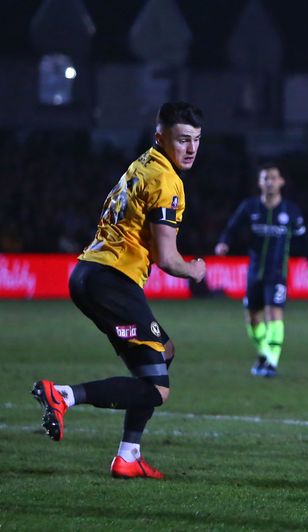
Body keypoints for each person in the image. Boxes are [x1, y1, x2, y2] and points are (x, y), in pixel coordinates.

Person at [31, 101, 207, 479]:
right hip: (111, 281)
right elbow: (167, 258)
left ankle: (129, 455)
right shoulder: (167, 181)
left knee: (164, 351)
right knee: (157, 390)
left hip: (90, 274)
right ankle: (63, 395)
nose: (191, 148)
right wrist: (194, 270)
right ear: (160, 137)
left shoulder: (141, 164)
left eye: (196, 139)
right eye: (182, 140)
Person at [215, 164, 308, 377]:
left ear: (281, 182)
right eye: (265, 178)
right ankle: (264, 353)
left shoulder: (290, 210)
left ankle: (272, 362)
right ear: (260, 183)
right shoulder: (250, 207)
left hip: (277, 273)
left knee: (274, 313)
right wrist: (224, 242)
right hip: (254, 272)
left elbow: (303, 240)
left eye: (273, 178)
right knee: (253, 318)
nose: (269, 182)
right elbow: (231, 227)